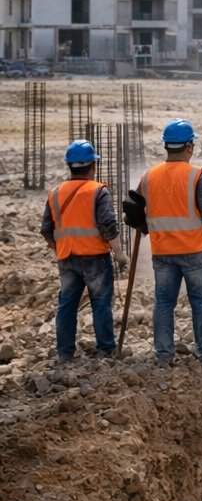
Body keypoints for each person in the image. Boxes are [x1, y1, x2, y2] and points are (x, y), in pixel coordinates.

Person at [137, 119, 202, 366]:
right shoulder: (197, 176)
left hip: (162, 253)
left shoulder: (148, 177)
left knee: (163, 304)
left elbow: (139, 211)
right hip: (195, 252)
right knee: (201, 303)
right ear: (189, 147)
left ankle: (163, 355)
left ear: (167, 147)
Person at [41, 139, 128, 362]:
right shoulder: (97, 191)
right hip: (95, 258)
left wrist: (59, 248)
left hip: (67, 258)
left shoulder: (55, 193)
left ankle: (65, 353)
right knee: (100, 303)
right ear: (93, 165)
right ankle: (105, 349)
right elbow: (108, 226)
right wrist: (119, 253)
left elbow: (46, 230)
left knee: (67, 305)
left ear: (69, 166)